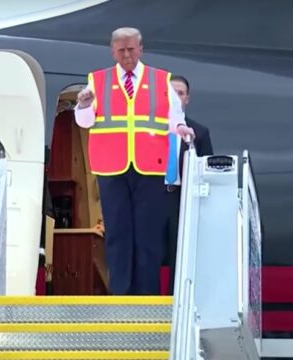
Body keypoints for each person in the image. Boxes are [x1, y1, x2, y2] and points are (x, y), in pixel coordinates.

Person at [74, 27, 195, 295]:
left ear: (141, 49)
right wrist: (83, 106)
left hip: (150, 166)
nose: (127, 55)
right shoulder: (97, 81)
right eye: (121, 50)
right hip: (111, 167)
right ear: (112, 51)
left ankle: (147, 296)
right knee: (117, 234)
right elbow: (85, 122)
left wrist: (182, 129)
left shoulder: (161, 80)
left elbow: (174, 118)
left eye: (131, 49)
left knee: (148, 235)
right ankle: (121, 296)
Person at [163, 74, 214, 294]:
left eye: (180, 93)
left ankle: (177, 300)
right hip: (152, 196)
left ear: (187, 99)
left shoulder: (199, 133)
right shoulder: (151, 128)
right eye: (171, 93)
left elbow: (208, 172)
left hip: (182, 199)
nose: (176, 97)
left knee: (179, 251)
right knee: (148, 250)